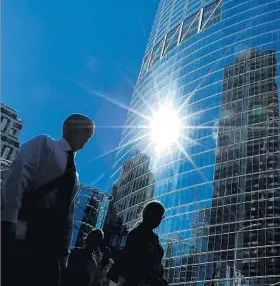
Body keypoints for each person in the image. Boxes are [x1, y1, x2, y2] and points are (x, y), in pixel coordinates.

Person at [1, 113, 95, 286]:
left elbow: (69, 214)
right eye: (87, 132)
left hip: (51, 246)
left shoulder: (75, 177)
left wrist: (64, 253)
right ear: (73, 128)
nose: (88, 139)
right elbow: (18, 175)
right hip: (24, 228)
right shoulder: (44, 144)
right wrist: (9, 218)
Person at [109, 201, 167, 286]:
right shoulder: (138, 234)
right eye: (159, 217)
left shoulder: (152, 237)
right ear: (152, 216)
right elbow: (133, 261)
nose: (160, 220)